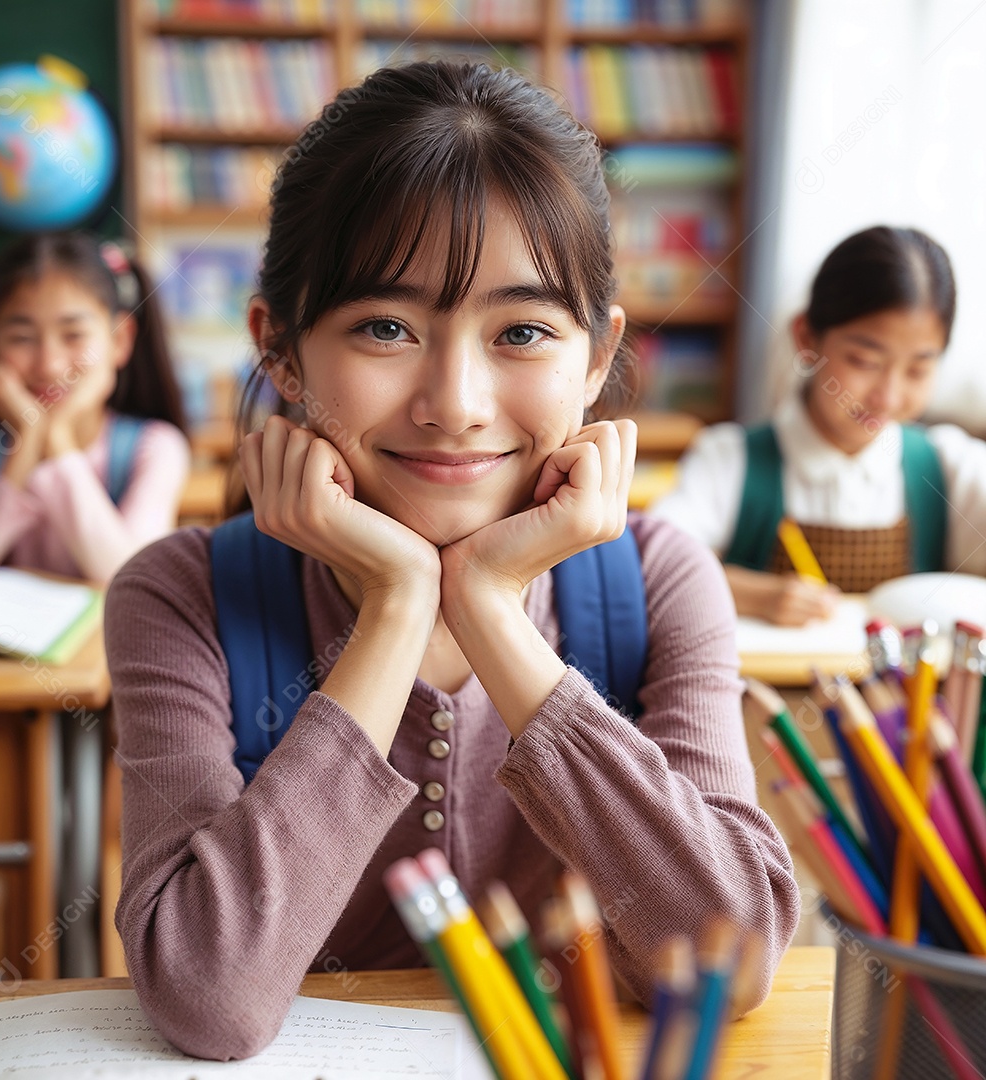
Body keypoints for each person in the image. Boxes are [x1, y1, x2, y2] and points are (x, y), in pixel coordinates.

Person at [106, 60, 799, 1061]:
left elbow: (723, 962)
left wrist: (491, 613)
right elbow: (208, 997)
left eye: (521, 330)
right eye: (385, 327)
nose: (456, 402)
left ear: (597, 356)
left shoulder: (658, 580)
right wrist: (396, 607)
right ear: (281, 350)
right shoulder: (181, 596)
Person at [650, 226, 986, 625]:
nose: (889, 396)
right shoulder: (731, 459)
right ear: (807, 337)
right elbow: (649, 561)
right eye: (864, 362)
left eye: (918, 369)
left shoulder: (947, 466)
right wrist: (753, 595)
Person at [0, 231, 190, 585]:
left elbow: (131, 577)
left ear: (119, 340)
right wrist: (27, 438)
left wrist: (55, 436)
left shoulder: (156, 446)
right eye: (21, 338)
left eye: (73, 335)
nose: (49, 365)